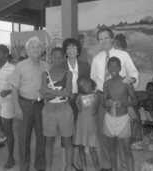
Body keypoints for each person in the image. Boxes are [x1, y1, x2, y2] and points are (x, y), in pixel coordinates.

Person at [91, 27, 139, 171]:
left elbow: (134, 72)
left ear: (112, 39)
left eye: (106, 38)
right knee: (105, 135)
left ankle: (124, 166)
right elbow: (93, 80)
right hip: (102, 97)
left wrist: (130, 79)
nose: (104, 41)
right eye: (101, 39)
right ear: (98, 41)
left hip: (121, 98)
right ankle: (108, 166)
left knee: (122, 137)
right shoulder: (96, 58)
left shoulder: (123, 55)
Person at [8, 36, 48, 171]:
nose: (36, 50)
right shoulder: (20, 66)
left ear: (42, 50)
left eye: (38, 47)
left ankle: (40, 166)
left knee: (42, 138)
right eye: (33, 47)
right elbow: (14, 88)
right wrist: (17, 108)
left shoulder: (46, 66)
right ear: (27, 50)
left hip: (42, 106)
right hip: (24, 105)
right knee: (24, 139)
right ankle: (24, 167)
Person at [60, 38, 91, 171]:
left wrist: (86, 101)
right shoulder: (61, 66)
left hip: (80, 101)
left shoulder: (85, 66)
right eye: (68, 47)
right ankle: (65, 163)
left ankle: (76, 161)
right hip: (65, 101)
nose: (71, 50)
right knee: (65, 132)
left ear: (78, 50)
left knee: (79, 131)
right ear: (65, 51)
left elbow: (89, 86)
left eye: (74, 47)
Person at [41, 47, 73, 171]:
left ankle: (68, 168)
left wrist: (49, 91)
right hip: (48, 110)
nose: (57, 60)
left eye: (60, 57)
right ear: (50, 58)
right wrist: (62, 92)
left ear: (64, 58)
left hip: (65, 109)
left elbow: (69, 92)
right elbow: (44, 96)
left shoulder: (68, 73)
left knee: (67, 140)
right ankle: (48, 168)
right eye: (55, 57)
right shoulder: (45, 74)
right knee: (49, 141)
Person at [103, 57, 137, 171]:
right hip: (109, 118)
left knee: (127, 149)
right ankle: (114, 169)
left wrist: (123, 103)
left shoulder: (126, 82)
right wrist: (107, 103)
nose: (113, 69)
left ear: (120, 68)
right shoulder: (106, 83)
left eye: (116, 66)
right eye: (110, 66)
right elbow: (103, 102)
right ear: (107, 68)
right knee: (112, 148)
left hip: (123, 119)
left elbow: (135, 101)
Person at [73, 75, 100, 171]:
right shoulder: (80, 96)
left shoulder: (96, 95)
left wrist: (94, 101)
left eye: (85, 83)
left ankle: (97, 168)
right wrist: (77, 102)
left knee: (92, 149)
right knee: (81, 147)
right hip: (80, 124)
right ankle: (84, 168)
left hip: (91, 125)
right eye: (81, 85)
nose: (83, 86)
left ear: (90, 83)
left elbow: (95, 112)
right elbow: (80, 110)